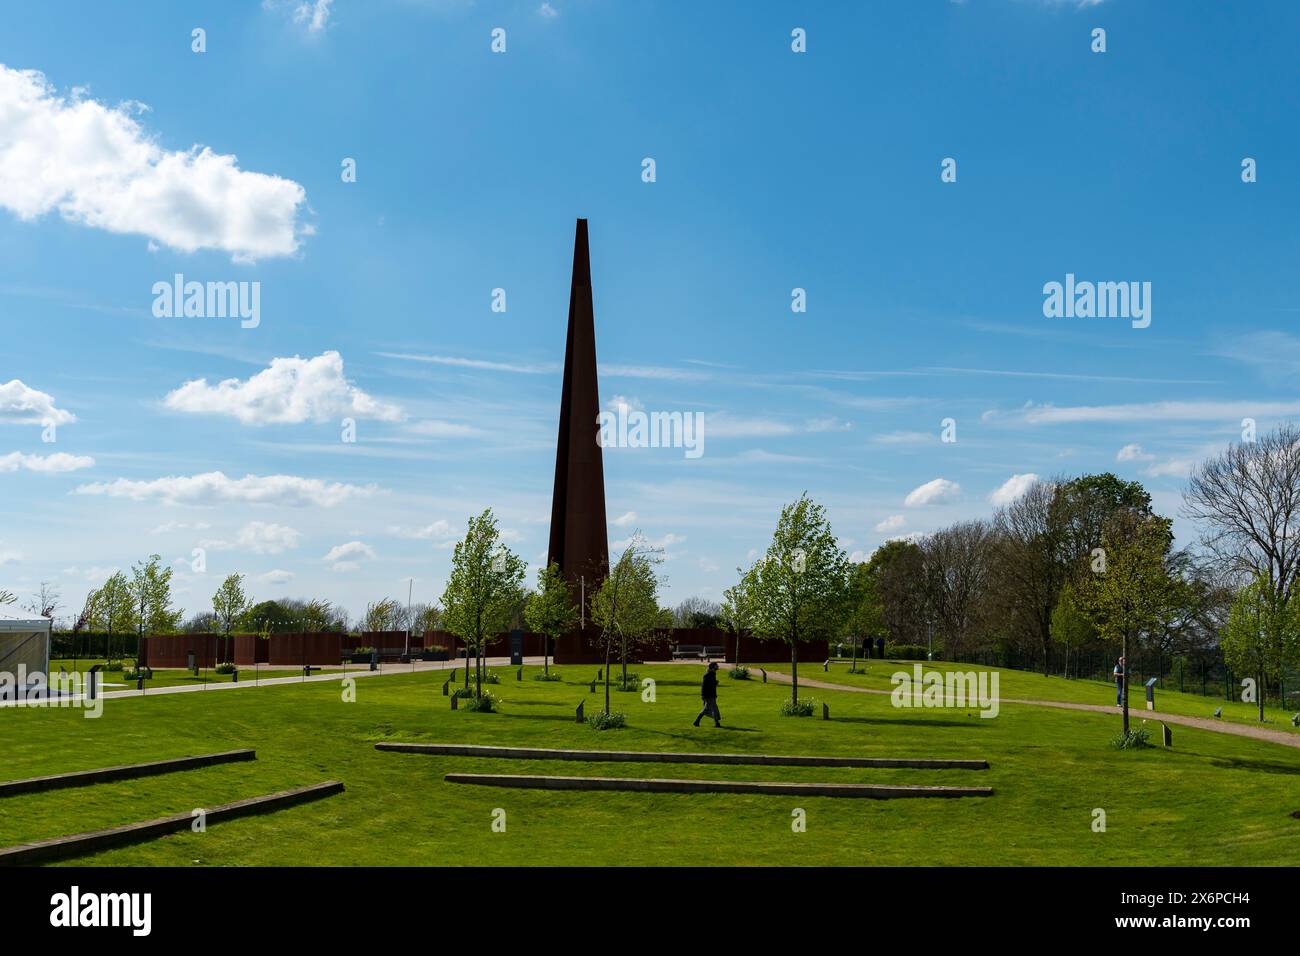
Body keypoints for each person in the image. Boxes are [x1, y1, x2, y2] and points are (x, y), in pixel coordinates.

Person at [694, 661, 722, 727]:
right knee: (708, 709)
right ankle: (697, 721)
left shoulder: (712, 674)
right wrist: (703, 696)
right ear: (712, 667)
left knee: (713, 708)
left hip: (712, 695)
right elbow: (704, 687)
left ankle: (716, 723)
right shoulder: (707, 675)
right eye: (716, 666)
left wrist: (715, 683)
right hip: (708, 695)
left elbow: (711, 684)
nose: (717, 667)